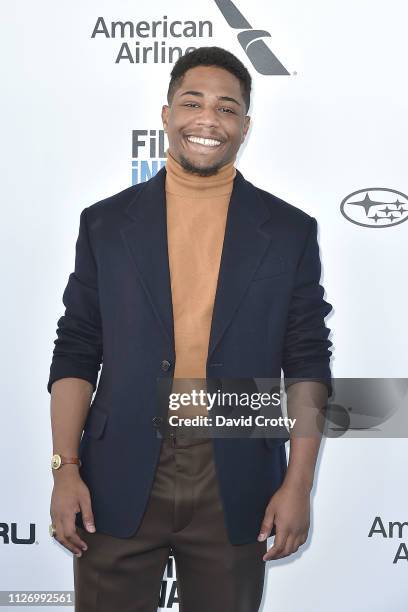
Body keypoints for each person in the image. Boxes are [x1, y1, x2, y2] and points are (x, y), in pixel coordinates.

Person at [48, 46, 333, 611]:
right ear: (165, 114)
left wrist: (297, 484)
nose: (208, 119)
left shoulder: (289, 231)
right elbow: (77, 348)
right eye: (192, 102)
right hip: (118, 472)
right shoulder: (105, 223)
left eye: (227, 108)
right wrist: (64, 469)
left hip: (235, 475)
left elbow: (306, 360)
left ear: (245, 126)